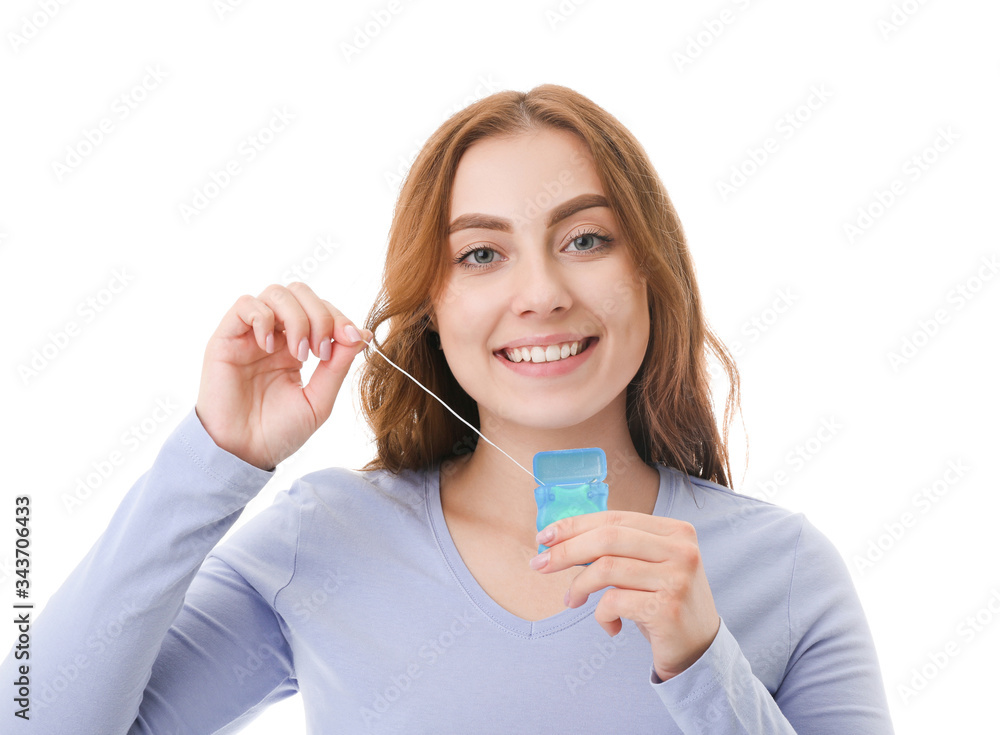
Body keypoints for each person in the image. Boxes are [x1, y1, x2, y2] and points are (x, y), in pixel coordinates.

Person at [2, 84, 894, 733]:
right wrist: (214, 456)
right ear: (430, 302)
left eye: (585, 239)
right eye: (481, 254)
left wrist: (706, 667)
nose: (541, 292)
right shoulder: (325, 535)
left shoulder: (784, 570)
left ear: (651, 275)